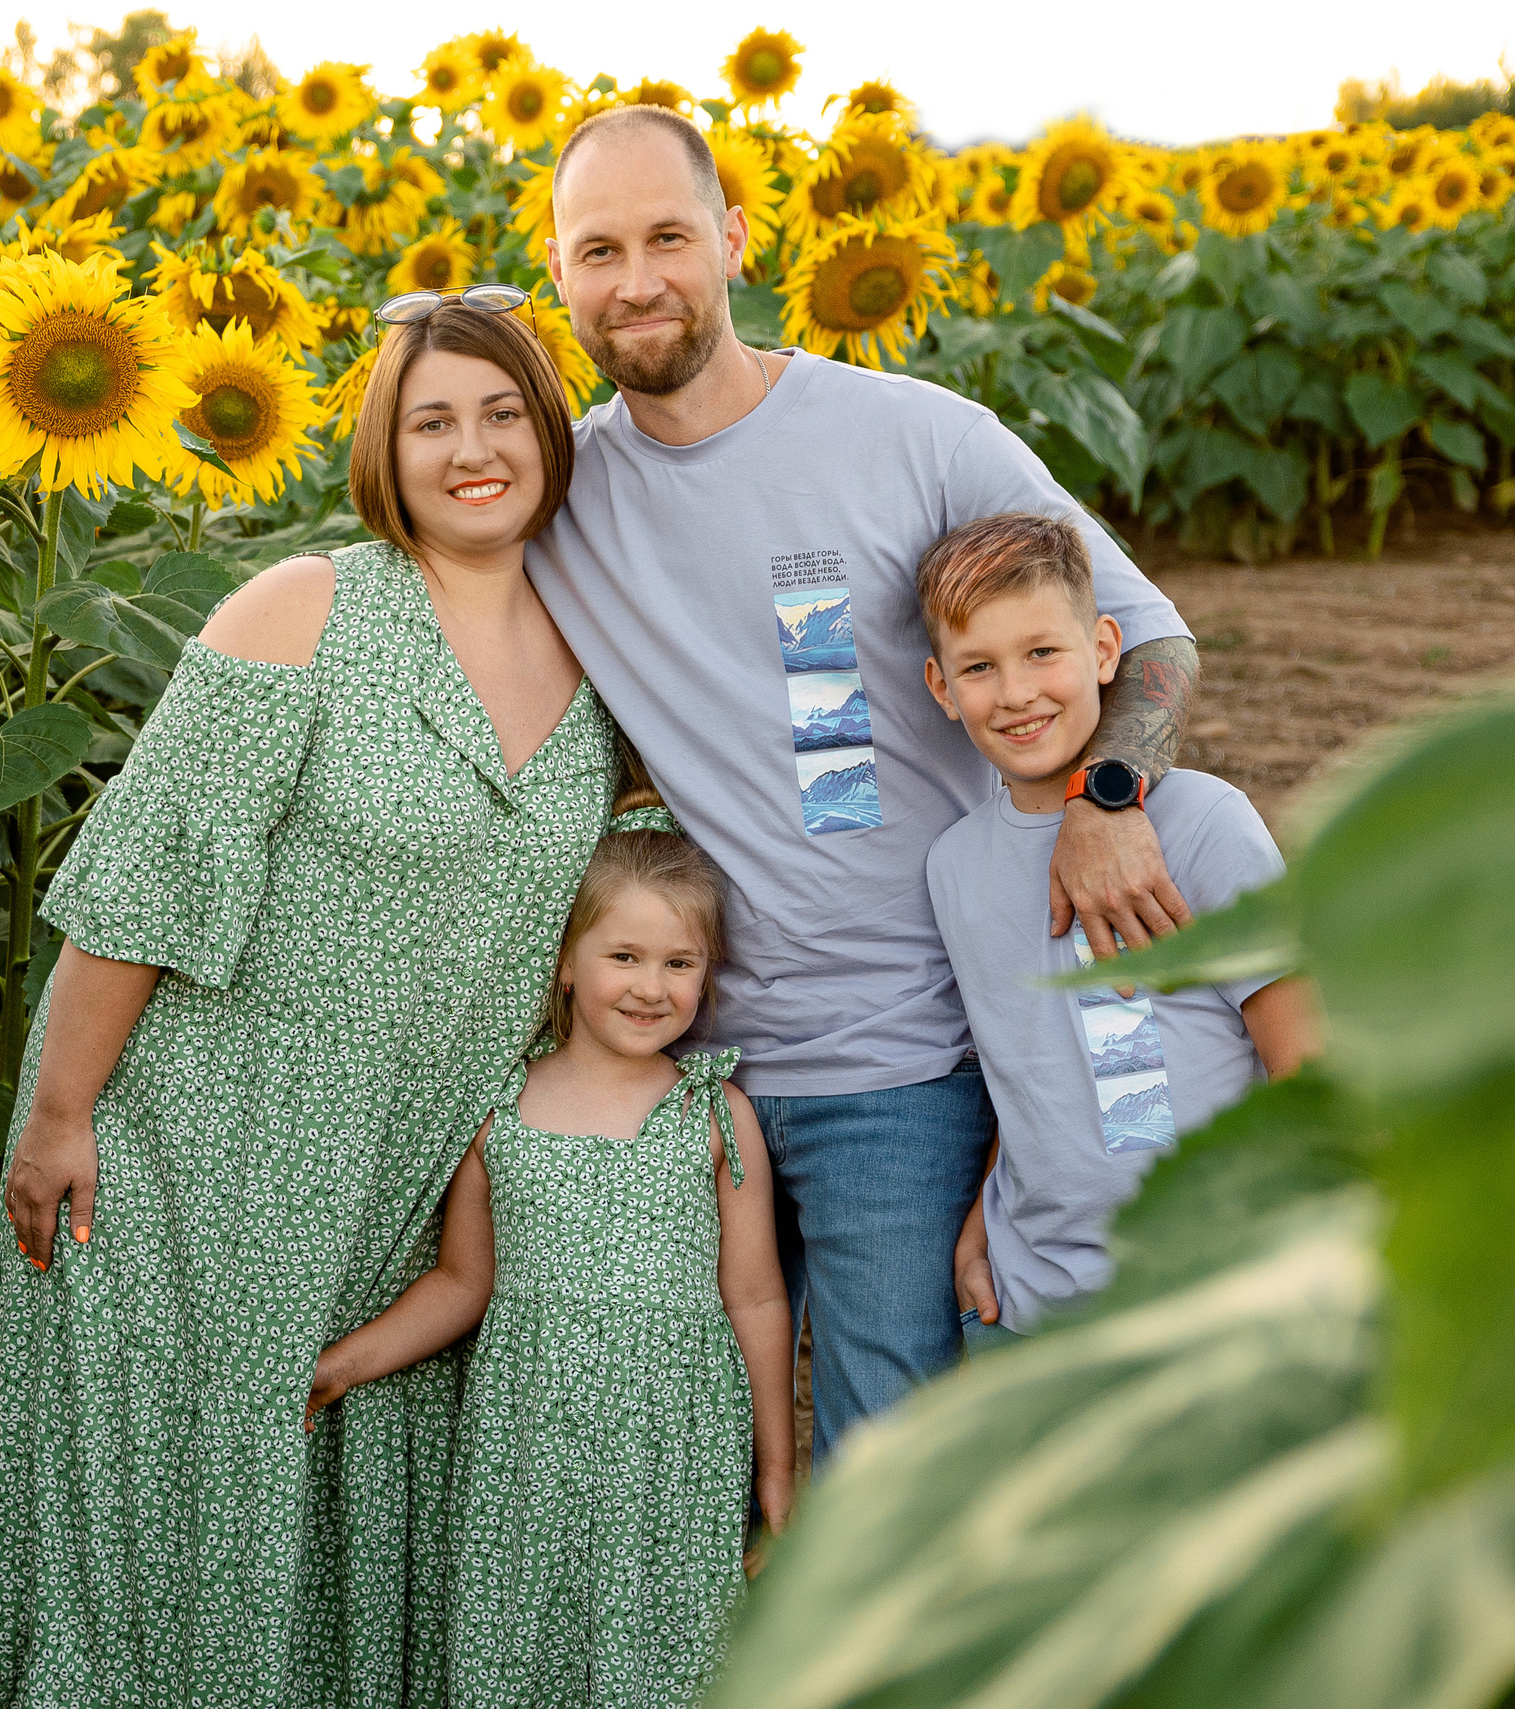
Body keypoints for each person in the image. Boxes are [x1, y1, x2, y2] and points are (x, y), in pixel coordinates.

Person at [0, 298, 645, 1709]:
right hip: (198, 1159)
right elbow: (141, 885)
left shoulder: (609, 654)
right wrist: (60, 1115)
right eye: (430, 420)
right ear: (383, 450)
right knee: (154, 1533)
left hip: (403, 1182)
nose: (472, 451)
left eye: (503, 414)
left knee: (328, 1524)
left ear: (552, 433)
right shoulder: (306, 610)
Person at [528, 104, 1202, 1453]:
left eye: (668, 235)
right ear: (559, 275)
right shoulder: (558, 496)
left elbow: (1155, 641)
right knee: (676, 1467)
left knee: (885, 1452)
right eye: (599, 249)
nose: (639, 280)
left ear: (733, 237)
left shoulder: (913, 438)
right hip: (677, 1062)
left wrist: (1109, 804)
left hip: (896, 1060)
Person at [304, 830, 791, 1709]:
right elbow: (462, 1282)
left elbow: (754, 1295)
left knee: (671, 1655)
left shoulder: (715, 1113)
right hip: (527, 1453)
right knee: (523, 1655)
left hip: (671, 1455)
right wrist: (345, 1362)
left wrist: (776, 1470)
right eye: (625, 955)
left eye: (680, 961)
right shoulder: (500, 1106)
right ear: (566, 961)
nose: (652, 986)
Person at [913, 512, 1317, 1345]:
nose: (1017, 692)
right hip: (1028, 1311)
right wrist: (986, 1218)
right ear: (942, 689)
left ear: (1104, 650)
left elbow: (1306, 1059)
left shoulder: (1203, 822)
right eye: (979, 667)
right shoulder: (952, 868)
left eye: (1042, 653)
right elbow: (1020, 1062)